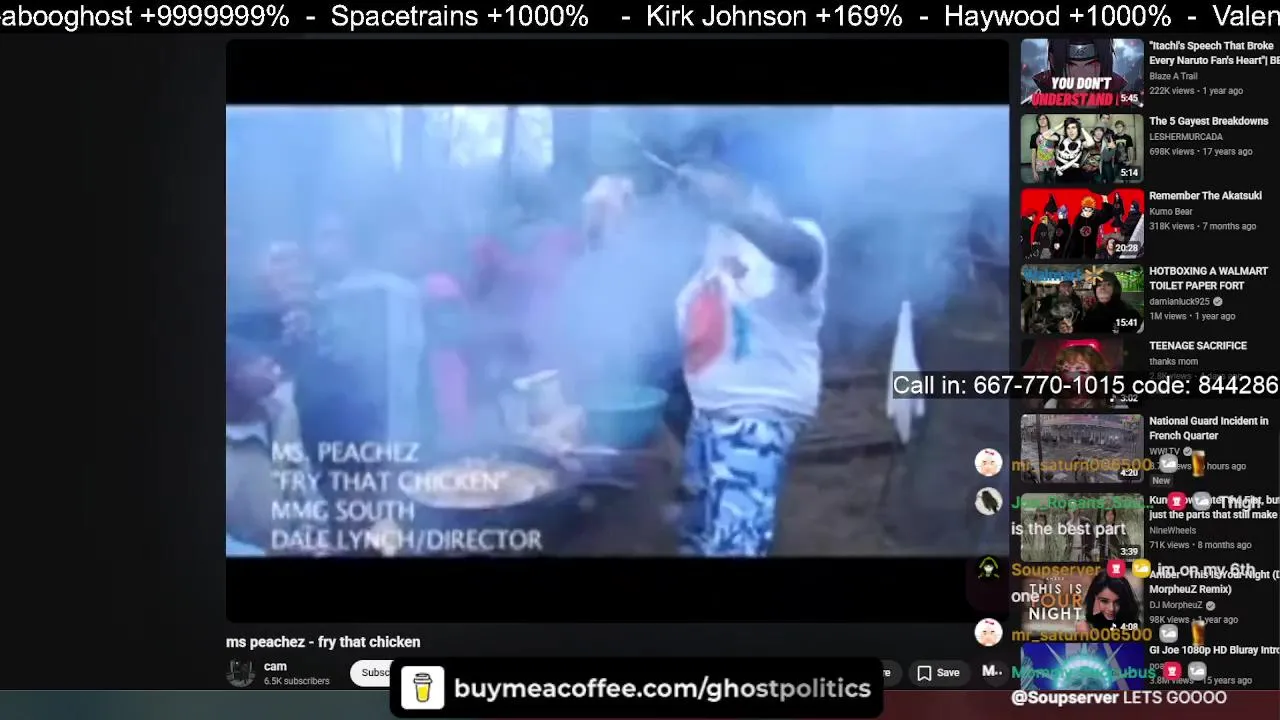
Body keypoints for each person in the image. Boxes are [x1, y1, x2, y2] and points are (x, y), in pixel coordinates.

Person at [667, 140, 828, 557]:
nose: (696, 176)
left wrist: (727, 210)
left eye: (709, 168)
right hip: (708, 417)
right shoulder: (716, 241)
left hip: (754, 419)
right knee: (697, 540)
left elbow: (798, 252)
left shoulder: (800, 237)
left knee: (734, 549)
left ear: (745, 179)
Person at [225, 337, 322, 554]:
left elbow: (303, 488)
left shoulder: (284, 417)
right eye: (253, 356)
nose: (270, 361)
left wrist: (313, 535)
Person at [1077, 271, 1143, 334]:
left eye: (1108, 284)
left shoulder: (1130, 313)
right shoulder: (1091, 312)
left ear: (1115, 288)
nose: (1102, 288)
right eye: (1099, 285)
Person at [1076, 571, 1141, 631]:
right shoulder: (1085, 627)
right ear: (1094, 599)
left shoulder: (1132, 626)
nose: (1111, 608)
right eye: (1104, 601)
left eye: (1117, 602)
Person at [1053, 118, 1093, 184]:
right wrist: (1062, 124)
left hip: (1076, 177)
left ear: (1078, 129)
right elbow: (1045, 135)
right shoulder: (1061, 139)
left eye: (1073, 128)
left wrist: (1082, 128)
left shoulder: (1081, 142)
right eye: (1068, 128)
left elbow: (1091, 143)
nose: (1071, 131)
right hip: (1060, 178)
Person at [1028, 114, 1060, 184]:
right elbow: (1033, 155)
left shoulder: (1055, 135)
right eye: (1040, 119)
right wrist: (1034, 171)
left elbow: (1057, 152)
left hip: (1053, 168)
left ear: (1047, 120)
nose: (1042, 120)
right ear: (1037, 122)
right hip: (1040, 169)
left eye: (1044, 118)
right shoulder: (1034, 136)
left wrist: (1058, 168)